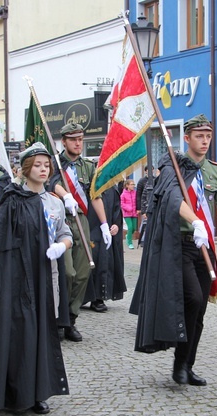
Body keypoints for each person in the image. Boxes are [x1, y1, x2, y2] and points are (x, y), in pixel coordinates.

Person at [131, 114, 217, 386]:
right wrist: (195, 222)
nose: (204, 141)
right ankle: (178, 357)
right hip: (178, 245)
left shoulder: (216, 171)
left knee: (200, 308)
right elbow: (171, 199)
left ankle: (186, 365)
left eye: (208, 136)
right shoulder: (174, 167)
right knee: (193, 298)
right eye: (198, 136)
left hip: (202, 247)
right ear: (187, 138)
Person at [0, 142, 70, 414]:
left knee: (44, 331)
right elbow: (0, 244)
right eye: (37, 165)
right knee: (20, 330)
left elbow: (66, 234)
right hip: (20, 275)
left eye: (46, 165)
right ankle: (13, 391)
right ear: (25, 170)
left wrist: (62, 245)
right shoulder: (12, 200)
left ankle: (39, 392)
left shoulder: (54, 202)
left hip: (48, 274)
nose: (43, 169)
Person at [48, 123, 112, 342]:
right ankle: (58, 317)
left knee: (84, 273)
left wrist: (104, 224)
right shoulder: (54, 163)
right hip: (60, 221)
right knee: (67, 273)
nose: (78, 143)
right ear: (63, 141)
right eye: (73, 139)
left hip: (81, 220)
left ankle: (71, 320)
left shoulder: (88, 167)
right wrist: (66, 195)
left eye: (80, 139)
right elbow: (52, 182)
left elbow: (95, 195)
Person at [83, 184, 126, 312]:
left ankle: (98, 298)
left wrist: (116, 225)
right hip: (91, 229)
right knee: (91, 261)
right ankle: (84, 296)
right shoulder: (89, 186)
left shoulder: (113, 189)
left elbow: (117, 211)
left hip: (106, 233)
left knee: (105, 263)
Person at [121, 179, 138, 249]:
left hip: (134, 213)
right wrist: (128, 208)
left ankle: (128, 236)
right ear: (127, 185)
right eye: (131, 184)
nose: (133, 186)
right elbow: (122, 204)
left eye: (133, 184)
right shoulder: (123, 194)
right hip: (127, 214)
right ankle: (130, 243)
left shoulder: (135, 193)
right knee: (130, 227)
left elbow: (138, 201)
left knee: (134, 228)